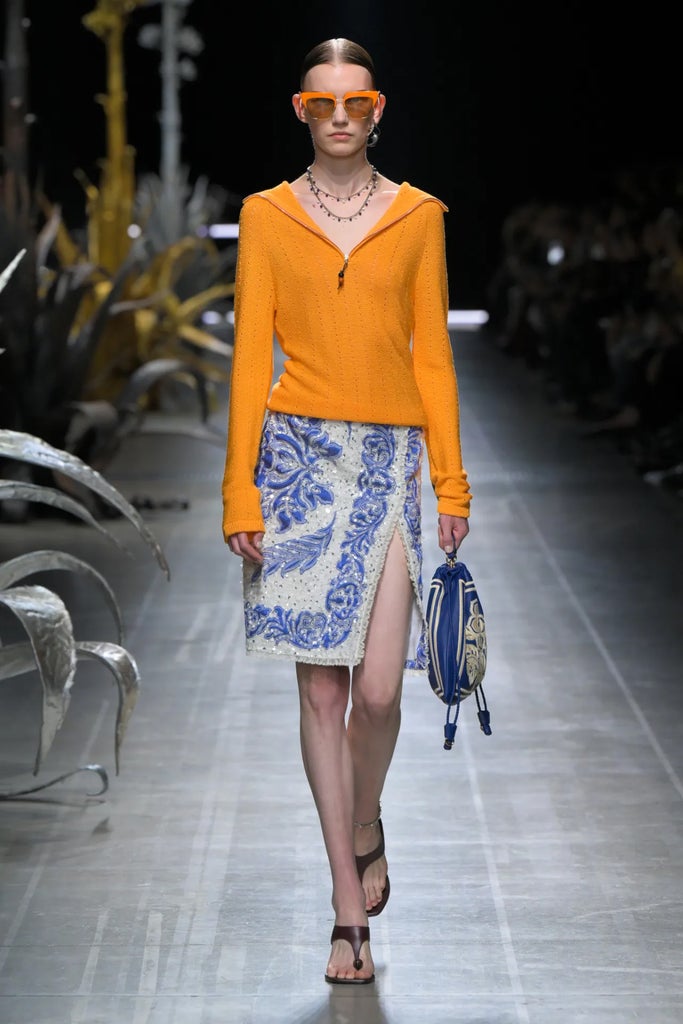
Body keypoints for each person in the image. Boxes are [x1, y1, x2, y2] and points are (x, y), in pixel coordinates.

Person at [221, 37, 471, 985]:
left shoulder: (417, 217)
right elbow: (249, 358)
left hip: (388, 464)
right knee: (321, 694)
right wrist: (239, 487)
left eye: (352, 102)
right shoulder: (265, 216)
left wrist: (450, 483)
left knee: (377, 694)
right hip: (295, 465)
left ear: (375, 111)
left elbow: (431, 355)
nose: (336, 116)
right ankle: (344, 908)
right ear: (300, 110)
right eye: (319, 102)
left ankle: (366, 819)